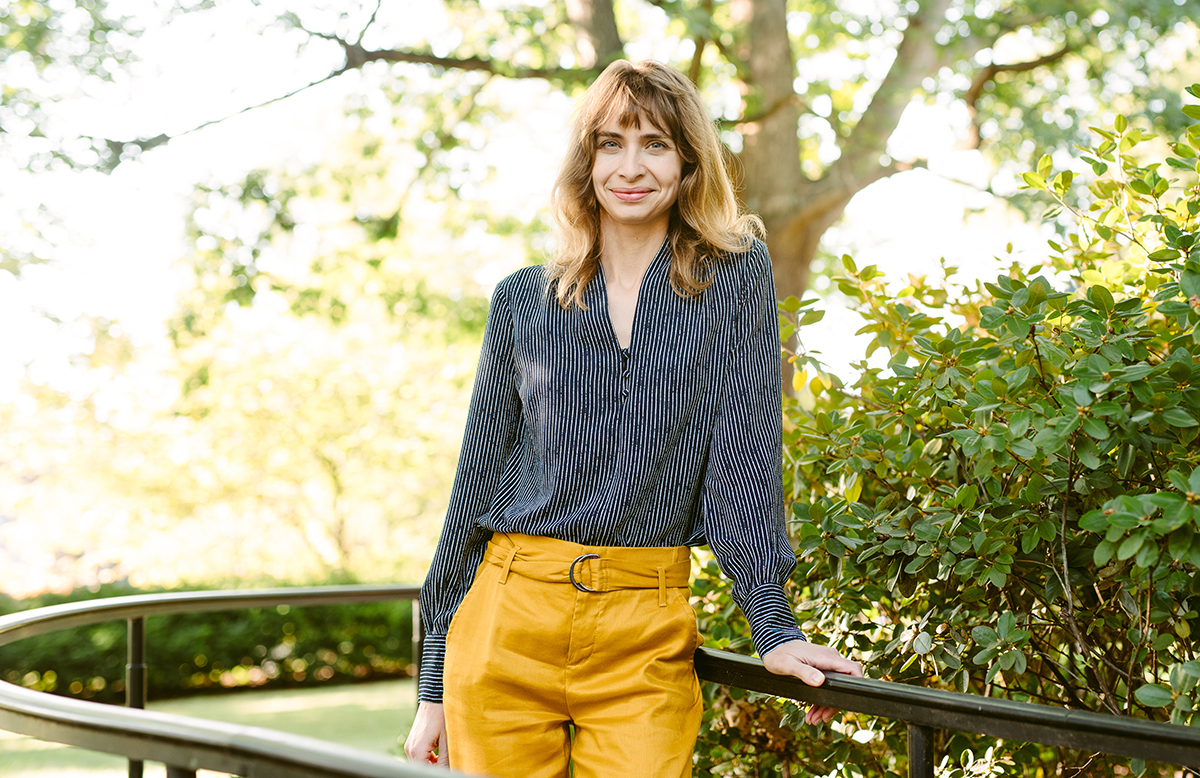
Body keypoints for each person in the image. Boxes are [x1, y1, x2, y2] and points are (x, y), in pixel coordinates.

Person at [403, 59, 861, 777]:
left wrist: (773, 627)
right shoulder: (522, 300)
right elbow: (477, 483)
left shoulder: (734, 279)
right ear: (586, 164)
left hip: (643, 627)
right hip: (506, 618)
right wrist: (433, 680)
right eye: (610, 143)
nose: (631, 166)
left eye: (654, 143)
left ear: (686, 162)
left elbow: (744, 456)